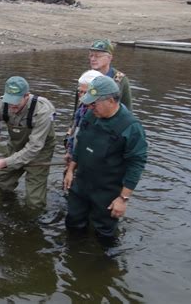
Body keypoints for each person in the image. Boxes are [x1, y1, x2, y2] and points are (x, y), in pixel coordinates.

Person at [63, 75, 147, 244]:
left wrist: (123, 199)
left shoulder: (131, 127)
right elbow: (80, 145)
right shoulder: (90, 116)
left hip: (107, 190)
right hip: (82, 183)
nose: (90, 107)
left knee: (104, 233)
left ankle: (106, 266)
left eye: (94, 103)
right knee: (73, 223)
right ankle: (73, 256)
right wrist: (71, 170)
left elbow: (136, 164)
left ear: (110, 100)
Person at [0, 76, 56, 208]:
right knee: (3, 181)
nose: (12, 105)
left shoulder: (43, 110)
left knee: (34, 199)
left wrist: (3, 162)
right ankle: (5, 209)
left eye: (16, 101)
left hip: (40, 151)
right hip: (16, 146)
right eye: (9, 100)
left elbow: (34, 148)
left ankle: (32, 221)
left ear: (26, 96)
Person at [64, 69, 103, 163]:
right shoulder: (81, 107)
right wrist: (69, 151)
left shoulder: (101, 113)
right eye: (80, 91)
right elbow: (75, 128)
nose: (81, 96)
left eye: (85, 92)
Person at [89, 39, 133, 111]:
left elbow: (128, 109)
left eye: (97, 56)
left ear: (109, 58)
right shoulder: (86, 77)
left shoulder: (120, 79)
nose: (93, 59)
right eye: (91, 55)